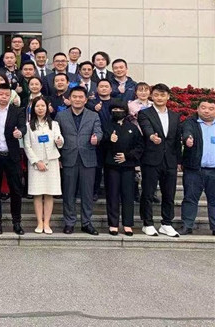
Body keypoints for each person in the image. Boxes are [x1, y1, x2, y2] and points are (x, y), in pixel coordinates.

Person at [56, 87, 103, 235]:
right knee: (68, 192)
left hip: (87, 158)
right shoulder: (61, 115)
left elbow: (99, 131)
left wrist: (97, 138)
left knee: (87, 193)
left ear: (86, 99)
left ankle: (86, 222)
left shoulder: (93, 115)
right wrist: (58, 156)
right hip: (68, 158)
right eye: (74, 97)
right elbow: (56, 135)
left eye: (80, 97)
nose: (77, 99)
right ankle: (69, 222)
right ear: (69, 99)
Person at [136, 83, 181, 237]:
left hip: (170, 160)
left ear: (168, 96)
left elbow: (176, 140)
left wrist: (179, 161)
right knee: (148, 193)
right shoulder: (145, 113)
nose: (159, 98)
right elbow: (146, 128)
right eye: (156, 95)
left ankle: (166, 223)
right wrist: (151, 137)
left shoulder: (175, 116)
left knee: (169, 194)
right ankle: (147, 223)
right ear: (151, 96)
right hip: (151, 159)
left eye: (162, 95)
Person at [0, 84, 27, 235]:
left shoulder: (17, 111)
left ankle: (17, 222)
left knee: (16, 190)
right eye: (1, 94)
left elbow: (23, 127)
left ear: (11, 96)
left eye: (7, 95)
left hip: (12, 156)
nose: (4, 97)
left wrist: (20, 133)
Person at [100, 101, 143, 236]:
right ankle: (113, 224)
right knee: (112, 195)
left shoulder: (132, 127)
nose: (117, 111)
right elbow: (100, 145)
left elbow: (140, 146)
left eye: (120, 109)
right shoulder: (106, 126)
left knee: (128, 195)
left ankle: (127, 224)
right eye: (115, 109)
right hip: (111, 166)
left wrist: (128, 156)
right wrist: (109, 140)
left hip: (128, 166)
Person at [23, 96, 63, 234]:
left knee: (49, 193)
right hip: (36, 164)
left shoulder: (54, 124)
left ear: (47, 108)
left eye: (43, 106)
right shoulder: (29, 126)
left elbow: (60, 139)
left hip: (51, 162)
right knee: (38, 194)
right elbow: (27, 146)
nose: (40, 108)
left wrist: (59, 141)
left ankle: (47, 223)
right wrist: (36, 161)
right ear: (33, 109)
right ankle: (39, 222)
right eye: (37, 106)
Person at [178, 99, 215, 236]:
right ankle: (187, 226)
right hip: (194, 169)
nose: (207, 111)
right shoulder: (190, 122)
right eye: (203, 108)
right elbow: (186, 132)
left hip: (214, 170)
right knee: (190, 198)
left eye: (211, 108)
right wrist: (187, 139)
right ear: (198, 109)